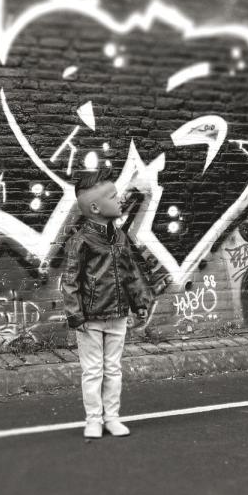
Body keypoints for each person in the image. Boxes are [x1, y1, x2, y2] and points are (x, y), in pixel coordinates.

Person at [61, 168, 154, 439]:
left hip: (118, 315)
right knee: (93, 371)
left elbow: (130, 272)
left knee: (113, 369)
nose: (121, 199)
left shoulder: (120, 237)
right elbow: (70, 281)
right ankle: (93, 419)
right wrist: (75, 315)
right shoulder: (81, 241)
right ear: (95, 208)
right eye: (113, 197)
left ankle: (111, 418)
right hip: (90, 318)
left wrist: (138, 302)